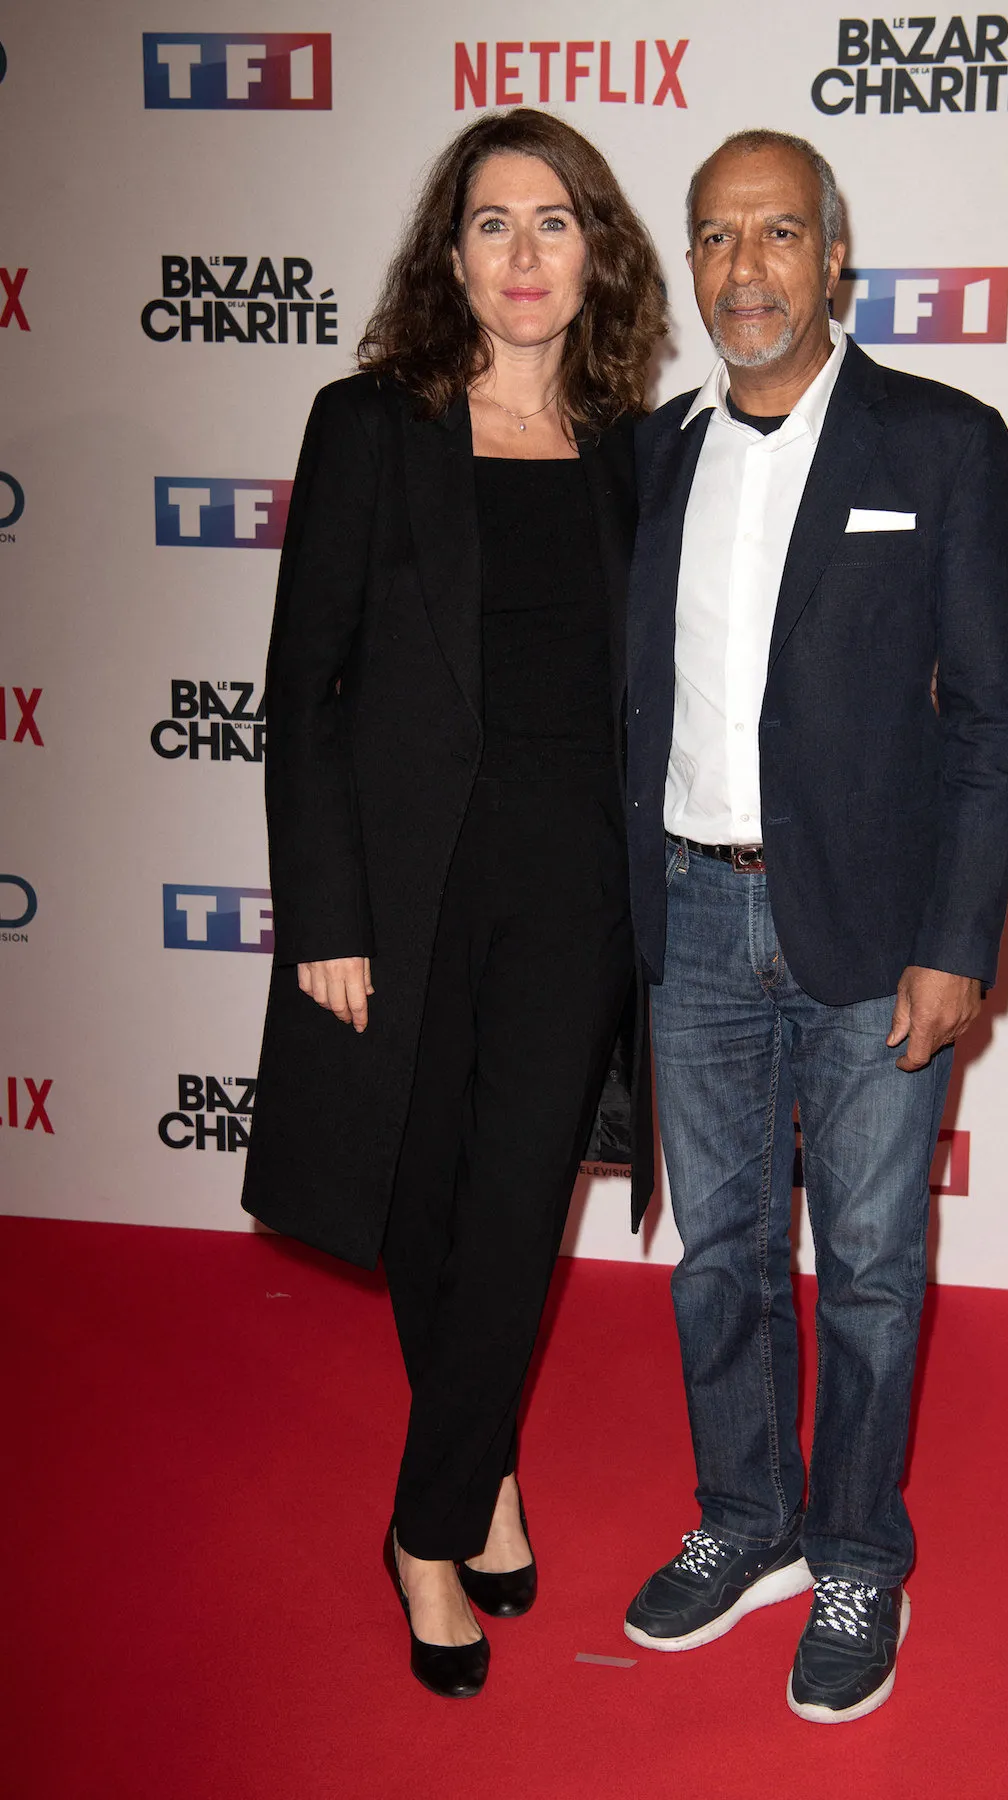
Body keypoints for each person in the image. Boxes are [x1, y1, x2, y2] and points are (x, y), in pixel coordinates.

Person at [241, 109, 665, 1700]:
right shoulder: (369, 424)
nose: (525, 253)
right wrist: (324, 914)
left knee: (509, 1210)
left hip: (578, 891)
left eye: (553, 221)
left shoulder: (636, 447)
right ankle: (482, 1466)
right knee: (422, 1209)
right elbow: (306, 692)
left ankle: (425, 1529)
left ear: (595, 250)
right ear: (450, 254)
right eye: (492, 223)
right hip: (410, 888)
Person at [622, 130, 1008, 1722]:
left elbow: (995, 723)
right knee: (718, 1260)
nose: (746, 269)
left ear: (835, 261)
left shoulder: (943, 445)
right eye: (717, 239)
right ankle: (748, 1521)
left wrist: (959, 943)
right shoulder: (655, 453)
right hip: (693, 918)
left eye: (778, 233)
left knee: (866, 1267)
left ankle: (860, 1549)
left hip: (876, 937)